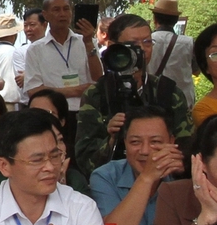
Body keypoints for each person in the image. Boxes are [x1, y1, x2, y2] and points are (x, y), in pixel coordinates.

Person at [73, 12, 191, 177]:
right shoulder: (97, 94)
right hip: (111, 185)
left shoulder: (169, 92)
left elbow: (187, 150)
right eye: (132, 44)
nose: (141, 49)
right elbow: (85, 162)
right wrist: (111, 139)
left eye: (147, 42)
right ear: (114, 46)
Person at [86, 106, 182, 225]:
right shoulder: (105, 176)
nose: (145, 151)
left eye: (155, 142)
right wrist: (146, 178)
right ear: (125, 143)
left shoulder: (184, 175)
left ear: (171, 141)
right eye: (135, 142)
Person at [21, 0, 100, 124]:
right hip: (53, 115)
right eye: (56, 10)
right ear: (45, 15)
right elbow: (34, 90)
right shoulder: (35, 49)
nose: (62, 14)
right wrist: (77, 90)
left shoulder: (86, 42)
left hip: (86, 112)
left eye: (66, 9)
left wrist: (89, 43)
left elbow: (98, 78)